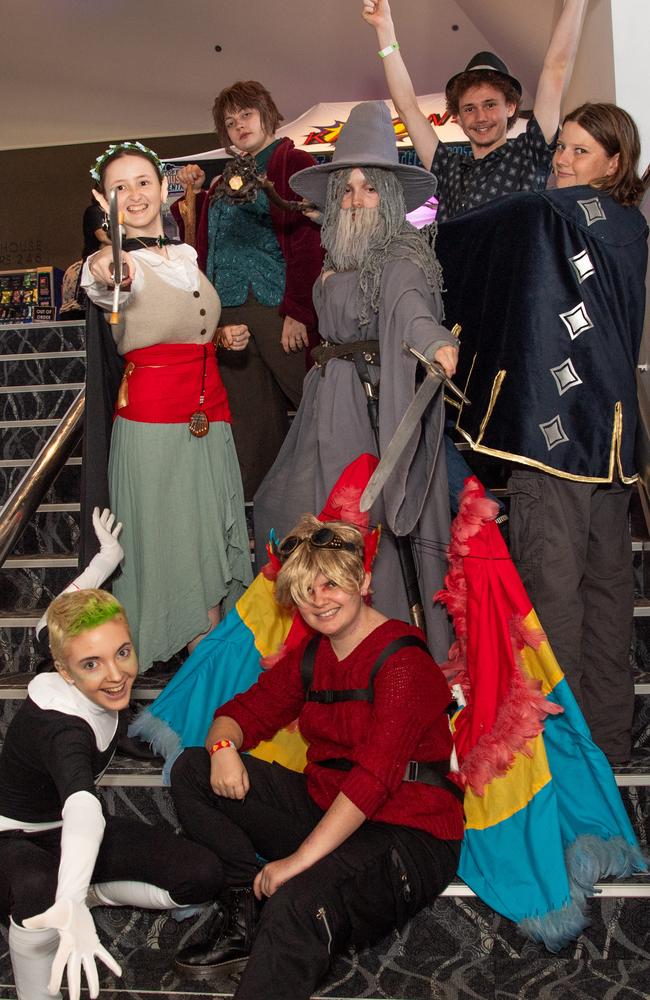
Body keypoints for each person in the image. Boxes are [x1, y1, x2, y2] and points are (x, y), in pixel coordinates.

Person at [169, 515, 464, 998]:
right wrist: (222, 748)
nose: (318, 601)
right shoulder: (314, 654)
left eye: (330, 584)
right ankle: (243, 907)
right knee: (193, 769)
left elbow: (372, 780)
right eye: (305, 591)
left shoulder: (403, 662)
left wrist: (298, 862)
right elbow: (240, 713)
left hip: (408, 834)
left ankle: (277, 915)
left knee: (296, 901)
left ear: (364, 580)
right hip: (329, 810)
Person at [434, 103, 648, 764]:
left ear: (616, 164)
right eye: (562, 147)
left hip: (552, 443)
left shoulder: (552, 214)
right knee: (609, 602)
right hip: (613, 449)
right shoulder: (630, 228)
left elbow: (455, 231)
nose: (564, 159)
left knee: (552, 606)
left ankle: (564, 758)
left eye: (582, 152)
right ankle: (607, 750)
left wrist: (406, 218)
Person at [254, 100, 458, 661]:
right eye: (347, 189)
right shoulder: (336, 254)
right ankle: (317, 664)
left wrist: (435, 342)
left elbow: (413, 308)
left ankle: (377, 657)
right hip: (326, 401)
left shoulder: (401, 255)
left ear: (390, 198)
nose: (356, 200)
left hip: (368, 413)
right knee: (286, 514)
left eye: (370, 189)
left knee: (359, 535)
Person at [0, 589, 224, 1000]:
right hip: (11, 840)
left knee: (202, 873)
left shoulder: (68, 652)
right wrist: (66, 898)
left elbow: (56, 611)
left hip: (66, 831)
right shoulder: (62, 728)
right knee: (37, 883)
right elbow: (84, 808)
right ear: (65, 672)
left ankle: (86, 893)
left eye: (122, 653)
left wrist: (105, 559)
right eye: (92, 664)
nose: (116, 674)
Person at [81, 140, 253, 672]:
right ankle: (203, 688)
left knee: (210, 547)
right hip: (154, 429)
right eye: (119, 187)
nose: (134, 195)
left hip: (210, 418)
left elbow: (180, 324)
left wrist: (222, 336)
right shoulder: (112, 261)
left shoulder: (183, 254)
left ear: (162, 187)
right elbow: (101, 277)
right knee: (177, 551)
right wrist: (109, 270)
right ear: (100, 198)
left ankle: (216, 684)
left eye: (143, 182)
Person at [173, 81, 324, 500]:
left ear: (266, 113)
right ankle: (266, 515)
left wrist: (298, 310)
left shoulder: (292, 160)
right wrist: (196, 192)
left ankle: (340, 496)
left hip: (276, 307)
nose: (239, 125)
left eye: (245, 114)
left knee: (316, 405)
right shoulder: (226, 177)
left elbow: (308, 240)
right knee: (253, 426)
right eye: (229, 120)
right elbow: (204, 235)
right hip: (228, 314)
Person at [362, 0, 589, 220]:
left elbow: (555, 69)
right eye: (469, 108)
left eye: (490, 105)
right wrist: (385, 30)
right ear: (458, 117)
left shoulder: (528, 154)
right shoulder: (448, 169)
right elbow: (407, 108)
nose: (480, 117)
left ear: (510, 107)